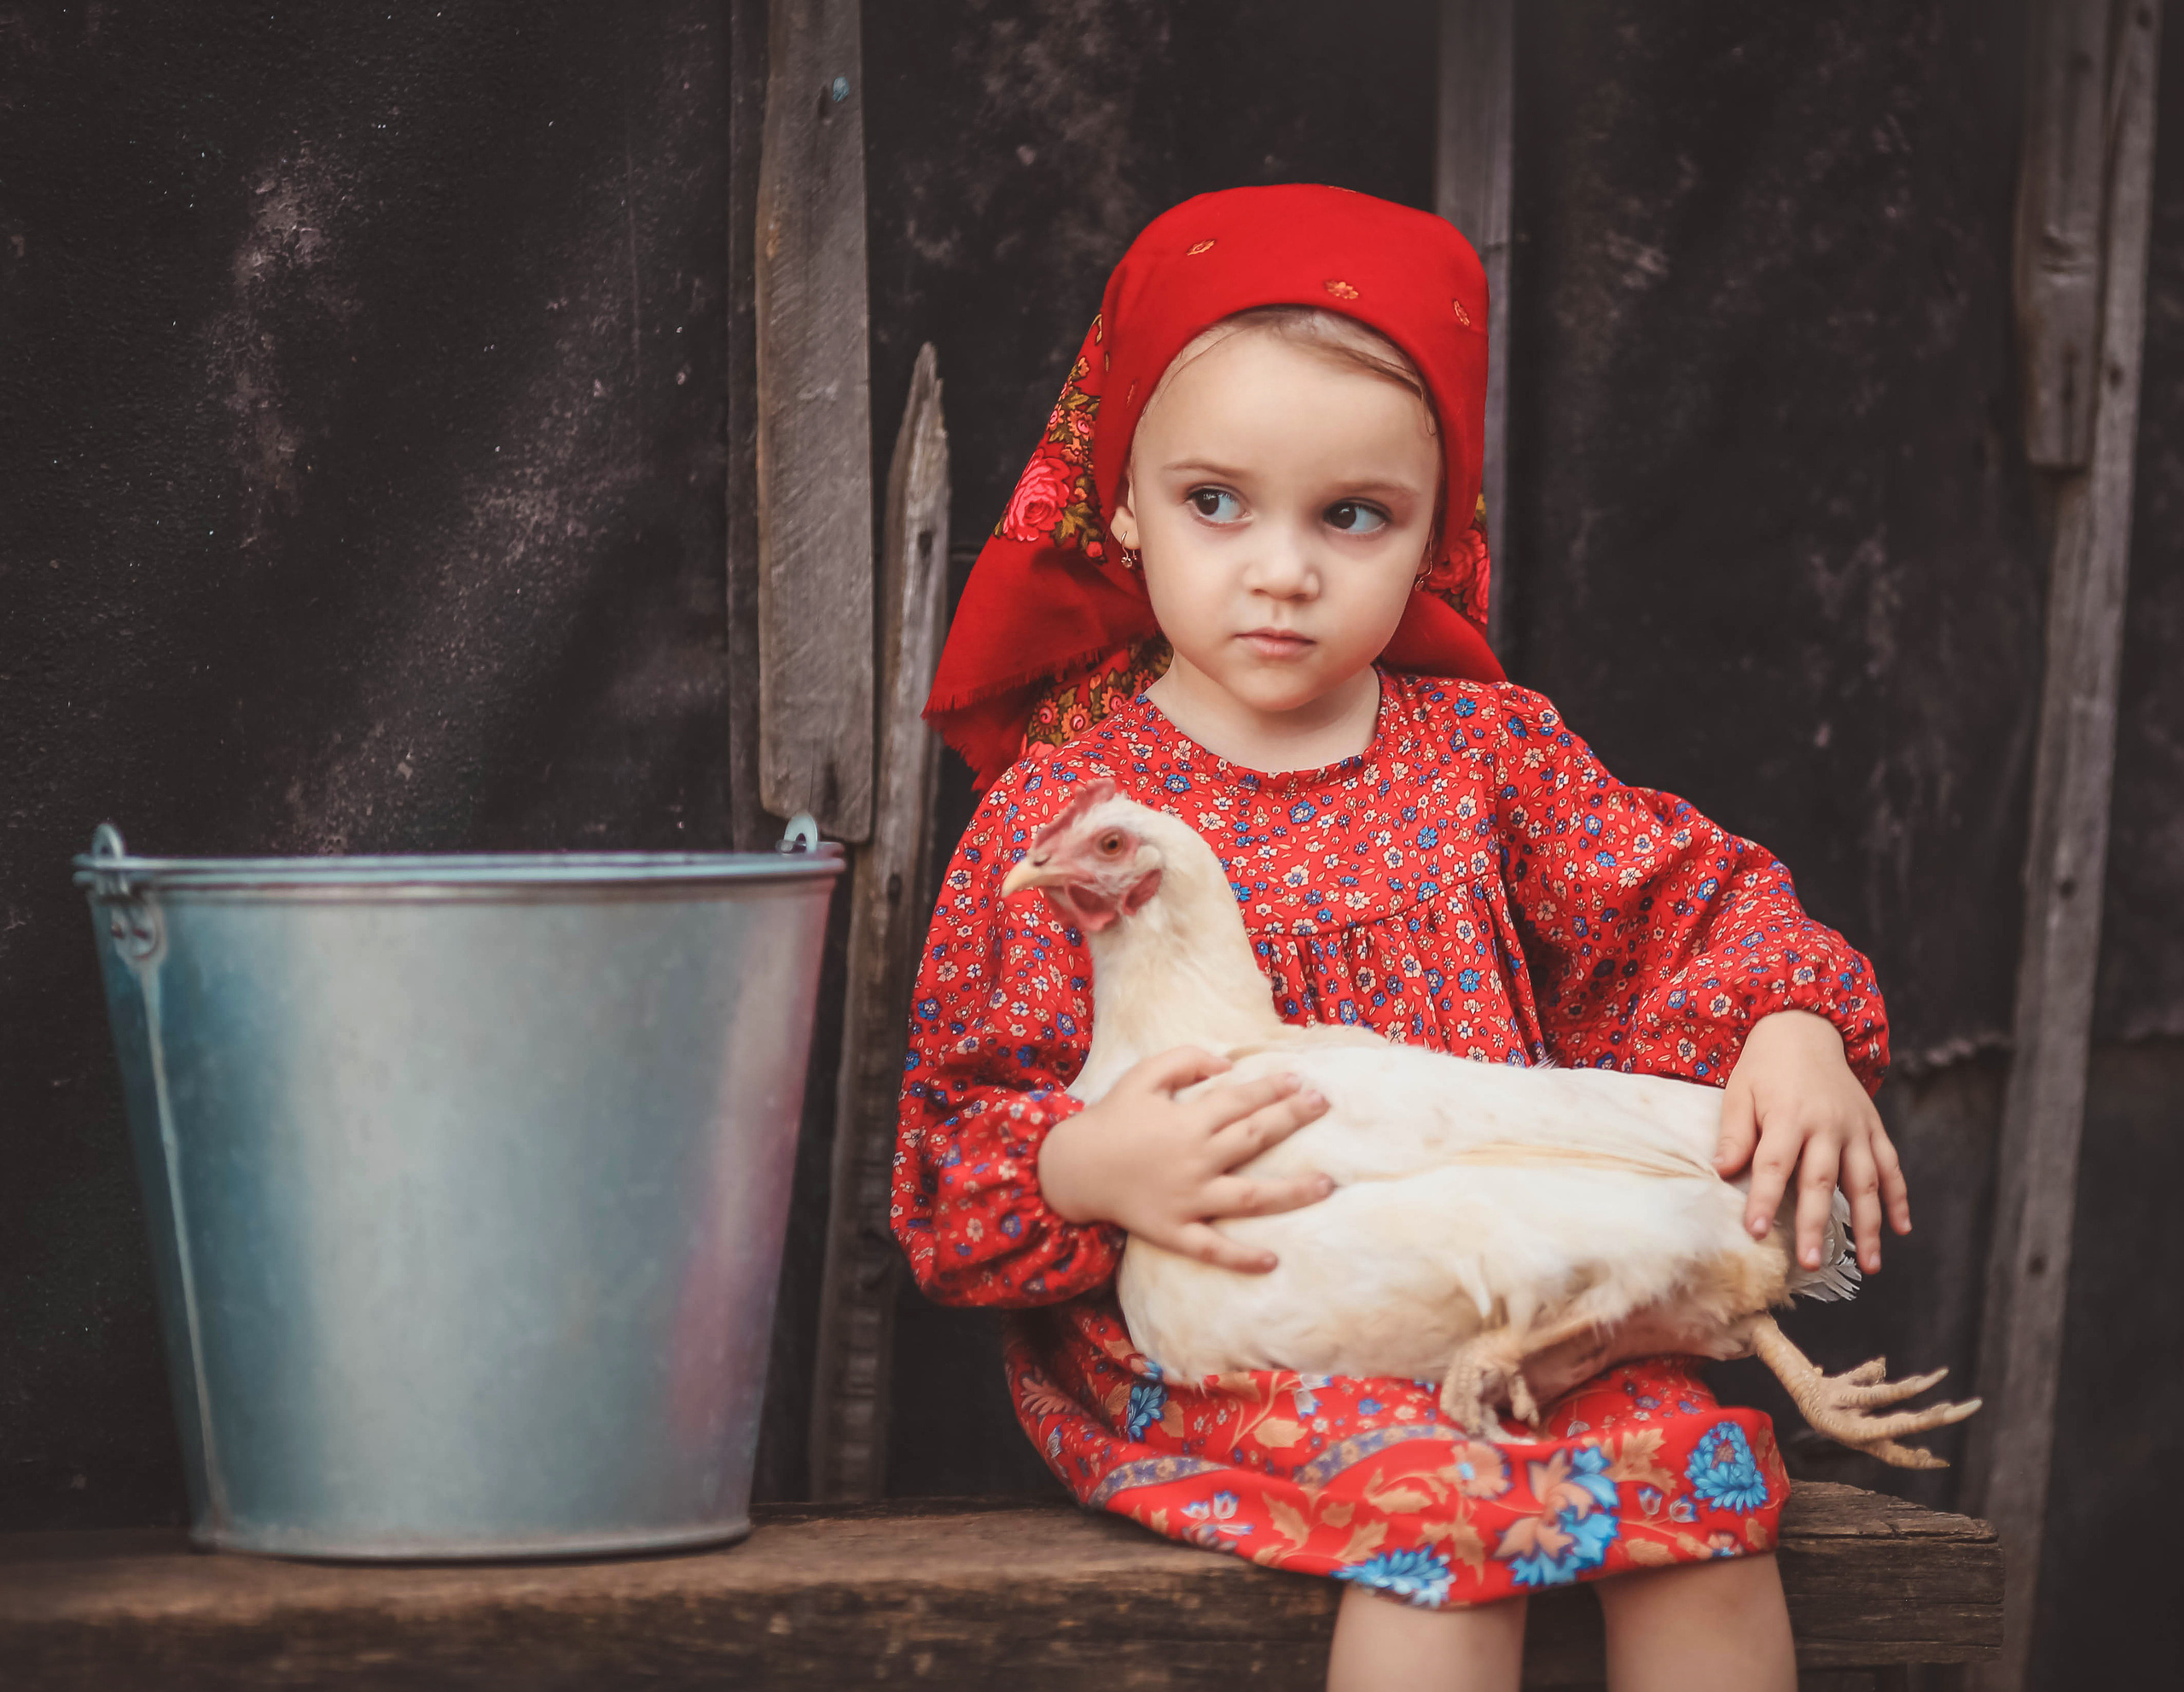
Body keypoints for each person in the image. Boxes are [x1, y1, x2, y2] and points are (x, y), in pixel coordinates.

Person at [892, 183, 1904, 1692]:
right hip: (1235, 1325)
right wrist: (1084, 1166)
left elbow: (1684, 906)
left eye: (1351, 515)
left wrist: (1792, 1021)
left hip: (1506, 1300)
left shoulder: (1486, 756)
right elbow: (952, 1141)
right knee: (1447, 1522)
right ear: (1120, 508)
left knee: (1700, 1492)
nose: (1283, 569)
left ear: (1436, 534)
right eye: (1216, 502)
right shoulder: (1074, 809)